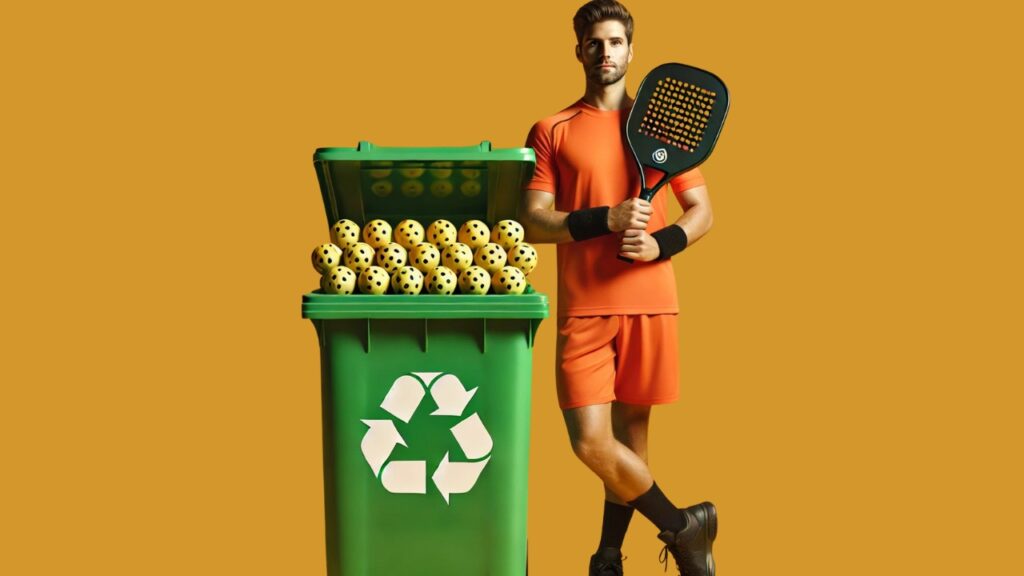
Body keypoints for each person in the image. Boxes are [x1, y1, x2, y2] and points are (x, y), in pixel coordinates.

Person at [519, 1, 717, 575]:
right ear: (579, 49)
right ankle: (684, 527)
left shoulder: (657, 130)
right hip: (584, 309)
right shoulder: (551, 129)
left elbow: (702, 210)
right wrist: (601, 220)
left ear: (632, 50)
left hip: (651, 304)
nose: (605, 52)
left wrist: (664, 244)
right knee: (591, 443)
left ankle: (608, 556)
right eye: (594, 42)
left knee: (631, 446)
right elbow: (532, 220)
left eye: (615, 42)